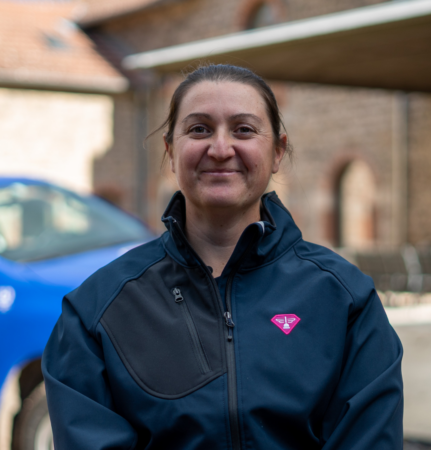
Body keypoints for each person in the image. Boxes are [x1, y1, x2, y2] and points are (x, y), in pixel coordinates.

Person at [42, 64, 403, 449]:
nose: (220, 149)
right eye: (199, 129)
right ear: (170, 150)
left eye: (243, 129)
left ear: (277, 151)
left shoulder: (345, 299)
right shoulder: (96, 310)